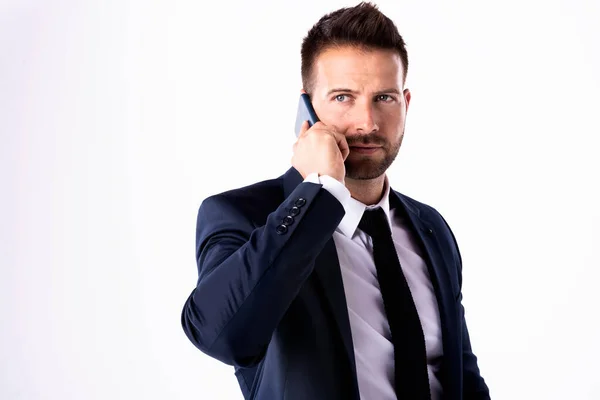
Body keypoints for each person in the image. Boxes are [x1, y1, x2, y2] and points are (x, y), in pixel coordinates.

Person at [181, 2, 490, 399]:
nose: (367, 122)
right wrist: (320, 191)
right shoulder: (244, 216)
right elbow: (221, 336)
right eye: (343, 97)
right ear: (308, 107)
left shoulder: (431, 228)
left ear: (406, 103)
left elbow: (463, 377)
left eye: (384, 98)